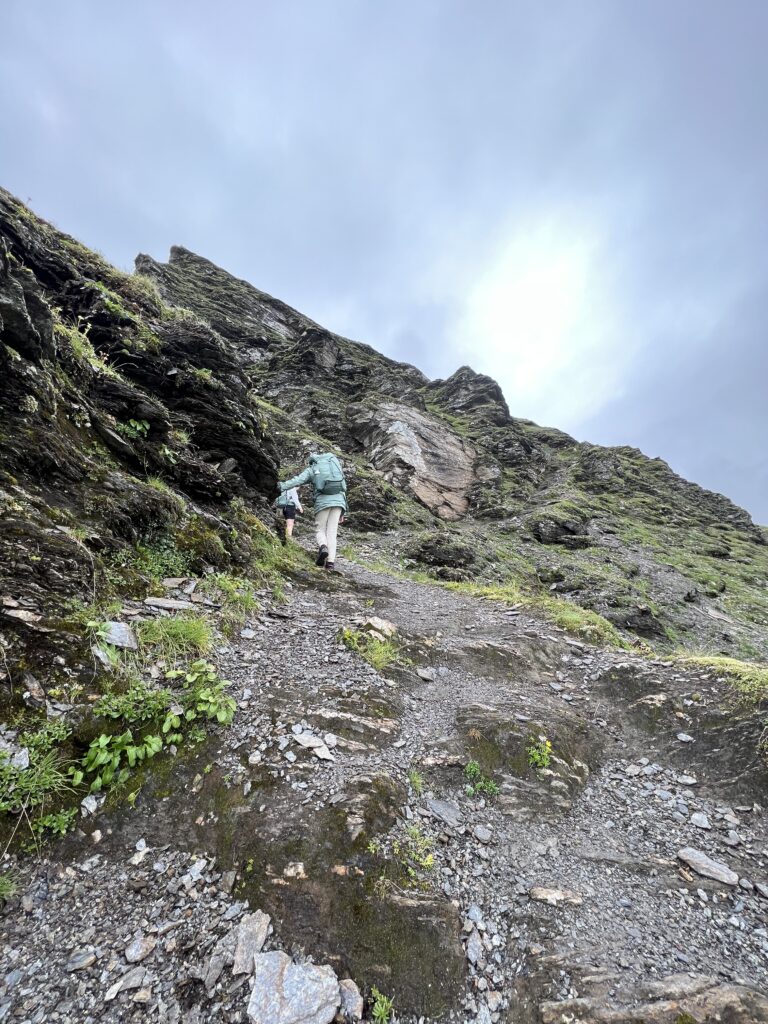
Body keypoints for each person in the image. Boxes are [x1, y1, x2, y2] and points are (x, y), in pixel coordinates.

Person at [278, 453, 347, 570]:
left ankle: (323, 547)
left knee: (320, 529)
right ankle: (330, 563)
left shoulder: (313, 468)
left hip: (322, 502)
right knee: (332, 532)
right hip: (339, 502)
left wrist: (281, 486)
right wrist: (344, 511)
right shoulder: (335, 467)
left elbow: (298, 480)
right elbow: (344, 489)